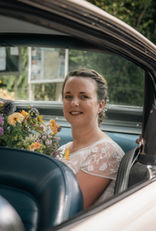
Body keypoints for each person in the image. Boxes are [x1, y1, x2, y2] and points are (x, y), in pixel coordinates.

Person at [56, 68, 124, 209]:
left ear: (100, 105)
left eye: (84, 97)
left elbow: (70, 208)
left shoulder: (105, 152)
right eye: (68, 96)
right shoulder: (63, 149)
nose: (74, 103)